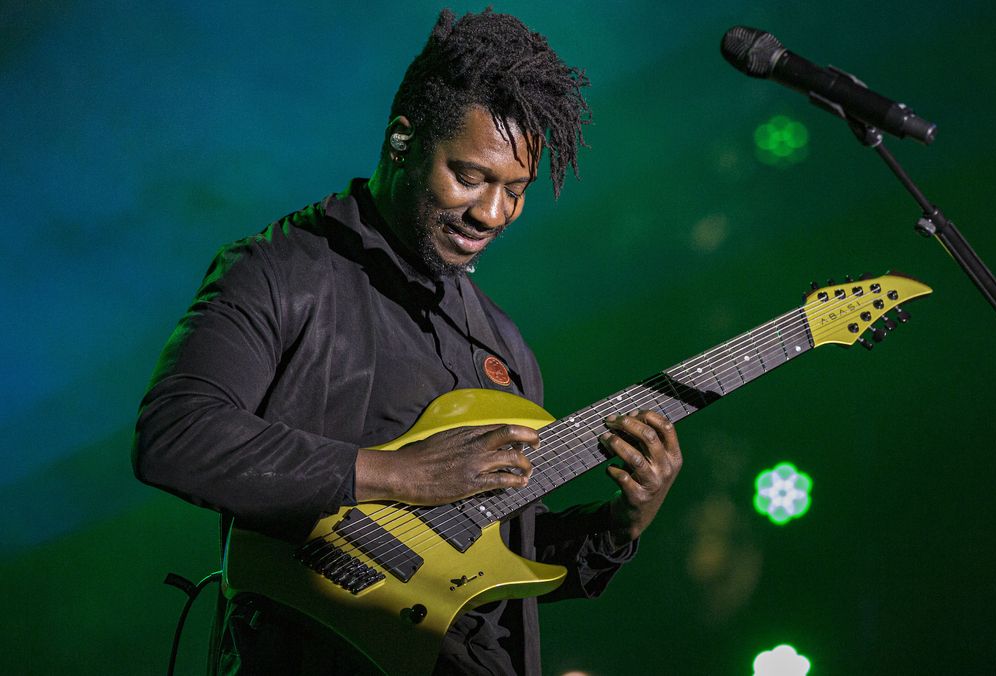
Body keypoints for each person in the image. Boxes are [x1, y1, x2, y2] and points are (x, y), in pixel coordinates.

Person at [132, 9, 682, 676]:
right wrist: (400, 475)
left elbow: (500, 564)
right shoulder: (279, 270)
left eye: (516, 191)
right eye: (470, 176)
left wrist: (626, 520)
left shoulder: (507, 348)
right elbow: (174, 435)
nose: (491, 213)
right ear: (402, 140)